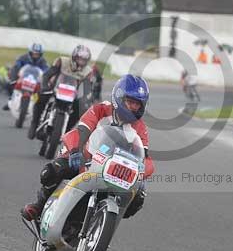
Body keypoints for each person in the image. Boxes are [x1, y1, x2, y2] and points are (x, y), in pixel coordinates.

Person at [21, 74, 153, 222]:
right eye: (130, 102)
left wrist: (142, 171)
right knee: (55, 170)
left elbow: (144, 156)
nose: (134, 107)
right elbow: (82, 130)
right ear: (119, 97)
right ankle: (39, 204)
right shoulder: (100, 109)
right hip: (88, 156)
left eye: (138, 104)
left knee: (139, 194)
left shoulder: (140, 127)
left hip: (115, 169)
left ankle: (104, 223)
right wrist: (75, 151)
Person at [27, 44, 93, 132]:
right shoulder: (62, 61)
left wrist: (85, 99)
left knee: (80, 110)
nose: (81, 62)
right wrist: (45, 86)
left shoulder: (88, 71)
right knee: (41, 97)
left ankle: (66, 129)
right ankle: (34, 123)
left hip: (73, 94)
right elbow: (47, 75)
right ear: (74, 56)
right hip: (55, 88)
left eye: (84, 60)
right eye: (79, 59)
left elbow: (87, 88)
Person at [3, 42, 49, 109]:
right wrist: (13, 78)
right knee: (9, 85)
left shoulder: (43, 61)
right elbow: (16, 66)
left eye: (37, 54)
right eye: (34, 54)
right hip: (22, 78)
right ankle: (10, 100)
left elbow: (46, 70)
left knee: (42, 93)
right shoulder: (23, 57)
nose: (35, 56)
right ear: (30, 53)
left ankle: (37, 106)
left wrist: (45, 78)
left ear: (40, 54)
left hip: (36, 80)